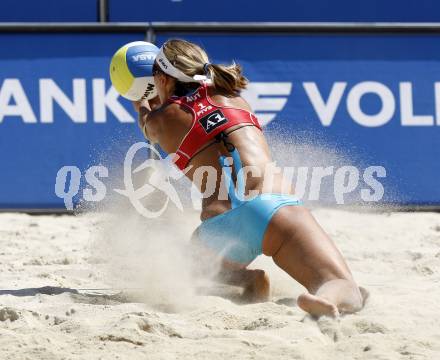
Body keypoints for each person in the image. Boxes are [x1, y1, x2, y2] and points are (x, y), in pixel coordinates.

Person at [133, 39, 368, 318]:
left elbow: (149, 122)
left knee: (188, 269)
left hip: (221, 227)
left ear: (161, 78)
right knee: (344, 287)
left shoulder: (161, 119)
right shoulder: (234, 97)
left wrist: (141, 100)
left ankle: (247, 281)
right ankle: (324, 299)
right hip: (274, 208)